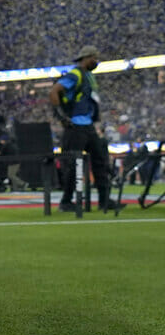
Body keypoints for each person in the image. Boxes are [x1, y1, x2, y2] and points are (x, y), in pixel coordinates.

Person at [50, 46, 121, 212]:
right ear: (86, 58)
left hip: (87, 126)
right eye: (94, 58)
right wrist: (61, 117)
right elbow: (54, 91)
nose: (96, 61)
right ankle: (66, 201)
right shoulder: (75, 74)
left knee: (100, 161)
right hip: (75, 126)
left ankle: (104, 200)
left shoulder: (89, 76)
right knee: (73, 165)